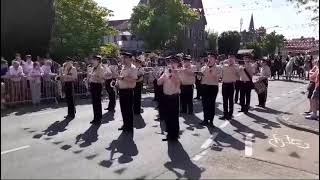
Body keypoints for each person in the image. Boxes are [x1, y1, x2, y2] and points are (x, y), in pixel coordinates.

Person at [157, 56, 181, 141]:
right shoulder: (166, 72)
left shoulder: (179, 72)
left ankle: (175, 135)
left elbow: (177, 84)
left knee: (174, 117)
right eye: (170, 62)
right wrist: (162, 77)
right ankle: (169, 134)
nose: (171, 64)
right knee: (167, 117)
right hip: (166, 97)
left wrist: (171, 75)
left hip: (174, 97)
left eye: (173, 62)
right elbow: (159, 83)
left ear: (177, 64)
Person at [117, 52, 138, 132]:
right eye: (123, 58)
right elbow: (121, 78)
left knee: (128, 110)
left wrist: (122, 78)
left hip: (128, 91)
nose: (123, 59)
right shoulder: (123, 67)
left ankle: (129, 126)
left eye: (125, 57)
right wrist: (117, 82)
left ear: (130, 58)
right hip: (122, 90)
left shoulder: (133, 68)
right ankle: (125, 124)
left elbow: (133, 80)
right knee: (123, 109)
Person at [199, 54, 221, 127]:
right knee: (204, 104)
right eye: (208, 58)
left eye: (211, 58)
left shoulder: (218, 67)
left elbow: (219, 77)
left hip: (213, 87)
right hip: (204, 87)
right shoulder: (203, 67)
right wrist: (199, 74)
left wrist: (212, 72)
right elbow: (199, 78)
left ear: (215, 59)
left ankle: (211, 121)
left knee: (211, 104)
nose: (209, 59)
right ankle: (205, 120)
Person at [220, 55, 239, 120]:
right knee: (224, 100)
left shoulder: (236, 67)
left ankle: (230, 114)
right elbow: (221, 75)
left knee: (231, 100)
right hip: (224, 84)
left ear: (234, 60)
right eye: (229, 59)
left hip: (231, 84)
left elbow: (239, 76)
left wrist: (234, 66)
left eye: (232, 59)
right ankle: (225, 114)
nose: (230, 60)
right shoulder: (224, 66)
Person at [88, 55, 105, 124]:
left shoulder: (100, 68)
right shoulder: (93, 68)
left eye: (94, 60)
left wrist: (92, 76)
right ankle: (96, 117)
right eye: (92, 59)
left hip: (97, 85)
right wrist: (89, 78)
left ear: (98, 61)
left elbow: (102, 79)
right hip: (93, 85)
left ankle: (98, 118)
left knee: (97, 103)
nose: (92, 61)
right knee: (94, 103)